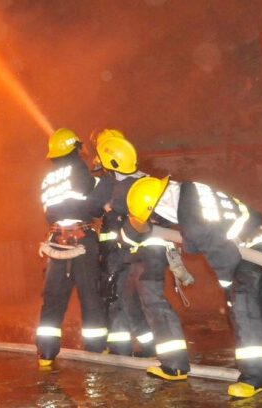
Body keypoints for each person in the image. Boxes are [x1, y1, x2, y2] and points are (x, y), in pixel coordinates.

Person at [126, 176, 262, 398]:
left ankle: (254, 379)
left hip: (248, 247)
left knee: (242, 304)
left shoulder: (194, 224)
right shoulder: (188, 189)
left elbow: (225, 258)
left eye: (154, 217)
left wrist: (229, 290)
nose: (156, 221)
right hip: (259, 235)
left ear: (157, 207)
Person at [94, 132, 194, 380]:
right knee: (130, 299)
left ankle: (175, 364)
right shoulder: (142, 181)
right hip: (138, 254)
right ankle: (151, 349)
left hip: (149, 253)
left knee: (153, 302)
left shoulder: (123, 188)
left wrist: (108, 205)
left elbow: (114, 210)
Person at [35, 128, 108, 368]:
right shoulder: (79, 170)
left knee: (53, 298)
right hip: (81, 239)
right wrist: (102, 180)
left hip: (56, 240)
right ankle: (96, 351)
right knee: (90, 296)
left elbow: (50, 211)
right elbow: (94, 207)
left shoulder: (48, 179)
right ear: (75, 148)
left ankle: (46, 353)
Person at [91, 129, 156, 358]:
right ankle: (149, 346)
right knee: (139, 300)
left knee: (116, 298)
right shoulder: (144, 179)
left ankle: (122, 349)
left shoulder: (110, 183)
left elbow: (92, 207)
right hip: (146, 252)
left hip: (117, 252)